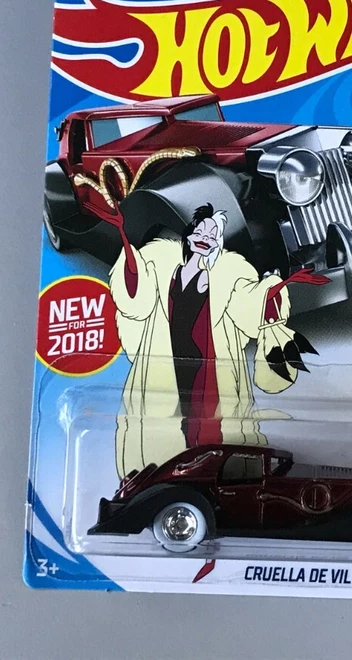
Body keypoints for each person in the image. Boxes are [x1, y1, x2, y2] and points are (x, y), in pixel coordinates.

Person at [104, 201, 326, 477]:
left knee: (210, 420)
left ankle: (213, 474)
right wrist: (123, 235)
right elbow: (136, 291)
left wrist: (283, 283)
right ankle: (161, 476)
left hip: (207, 362)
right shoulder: (162, 267)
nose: (205, 239)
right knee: (161, 418)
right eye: (200, 232)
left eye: (212, 235)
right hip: (165, 361)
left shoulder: (226, 276)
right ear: (189, 235)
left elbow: (250, 302)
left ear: (217, 243)